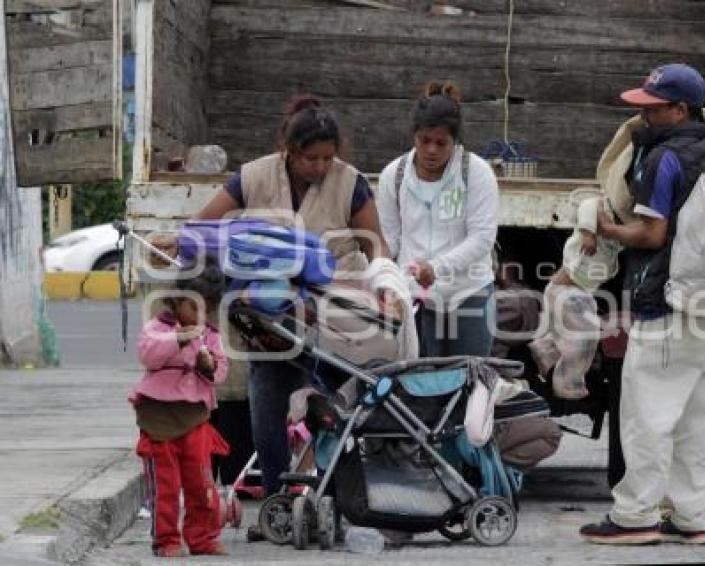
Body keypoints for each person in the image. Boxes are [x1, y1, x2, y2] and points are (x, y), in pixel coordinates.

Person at [194, 94, 400, 541]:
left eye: (329, 157)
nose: (321, 167)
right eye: (312, 158)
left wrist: (386, 288)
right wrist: (183, 243)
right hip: (270, 321)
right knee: (266, 408)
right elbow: (205, 225)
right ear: (289, 150)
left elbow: (377, 246)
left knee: (337, 410)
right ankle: (276, 504)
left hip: (334, 317)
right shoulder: (252, 177)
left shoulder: (351, 183)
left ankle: (336, 501)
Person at [579, 64, 705, 545]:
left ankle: (635, 517)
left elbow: (652, 232)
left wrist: (606, 230)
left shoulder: (665, 157)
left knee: (646, 417)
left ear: (679, 109)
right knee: (695, 421)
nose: (642, 113)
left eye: (652, 106)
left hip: (667, 306)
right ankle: (693, 519)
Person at [377, 81, 499, 357]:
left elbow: (482, 238)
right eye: (424, 141)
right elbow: (389, 239)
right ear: (414, 137)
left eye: (441, 143)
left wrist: (437, 267)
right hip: (414, 298)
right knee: (417, 382)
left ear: (455, 142)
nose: (431, 150)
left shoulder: (476, 173)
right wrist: (383, 277)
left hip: (470, 294)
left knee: (470, 382)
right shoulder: (392, 176)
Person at [129, 263, 230, 558]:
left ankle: (202, 538)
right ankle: (166, 539)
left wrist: (208, 364)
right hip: (159, 418)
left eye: (206, 310)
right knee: (166, 484)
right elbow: (148, 355)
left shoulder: (210, 336)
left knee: (201, 481)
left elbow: (220, 370)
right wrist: (179, 339)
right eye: (192, 307)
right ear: (177, 299)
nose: (200, 316)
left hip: (195, 418)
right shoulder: (157, 328)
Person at [529, 195, 621, 399]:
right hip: (567, 292)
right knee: (584, 340)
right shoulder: (601, 209)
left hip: (570, 291)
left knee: (567, 334)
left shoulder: (617, 227)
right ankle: (569, 386)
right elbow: (587, 203)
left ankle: (546, 348)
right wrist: (588, 233)